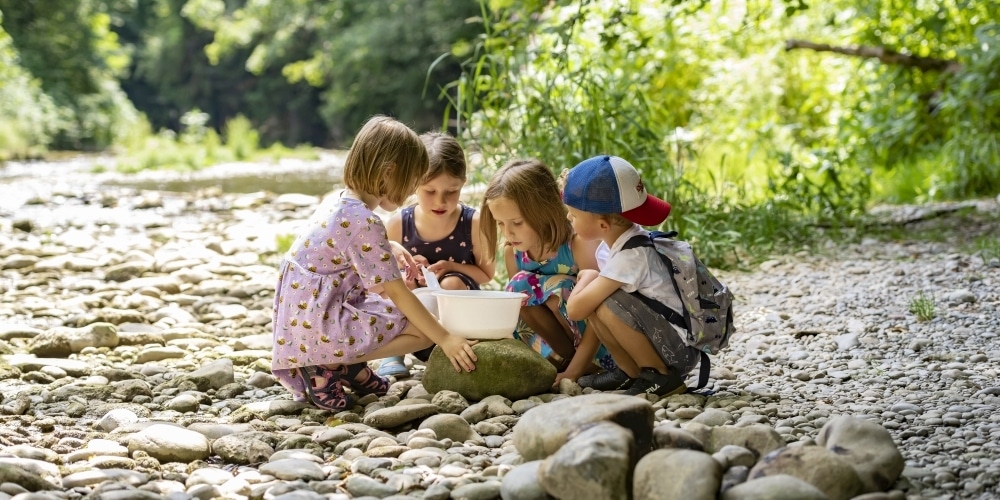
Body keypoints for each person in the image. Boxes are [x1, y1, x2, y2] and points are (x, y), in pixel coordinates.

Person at [270, 116, 477, 411]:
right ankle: (330, 361)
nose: (410, 193)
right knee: (421, 331)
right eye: (411, 182)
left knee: (395, 312)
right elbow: (398, 293)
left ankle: (345, 365)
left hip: (300, 322)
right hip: (318, 327)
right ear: (389, 173)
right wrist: (445, 339)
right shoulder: (365, 222)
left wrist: (388, 245)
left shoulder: (339, 200)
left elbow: (334, 246)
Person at [563, 155, 698, 397]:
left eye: (573, 215)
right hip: (664, 340)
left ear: (603, 225)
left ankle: (660, 376)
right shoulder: (613, 244)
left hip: (676, 351)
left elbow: (575, 310)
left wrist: (587, 276)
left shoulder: (632, 256)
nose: (567, 219)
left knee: (603, 303)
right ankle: (631, 372)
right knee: (599, 302)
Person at [480, 158, 616, 384]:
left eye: (517, 222)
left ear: (543, 210)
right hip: (558, 348)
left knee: (524, 285)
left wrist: (574, 372)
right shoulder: (513, 253)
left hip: (600, 345)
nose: (508, 233)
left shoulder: (577, 243)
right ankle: (557, 362)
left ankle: (585, 366)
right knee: (515, 296)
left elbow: (600, 311)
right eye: (501, 224)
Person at [376, 132, 495, 377]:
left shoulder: (473, 222)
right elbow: (381, 283)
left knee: (450, 282)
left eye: (451, 191)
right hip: (414, 329)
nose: (440, 201)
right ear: (413, 183)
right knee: (399, 291)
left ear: (463, 182)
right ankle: (393, 353)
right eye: (430, 191)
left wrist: (453, 266)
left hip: (460, 323)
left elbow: (486, 274)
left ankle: (455, 349)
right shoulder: (399, 223)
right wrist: (406, 276)